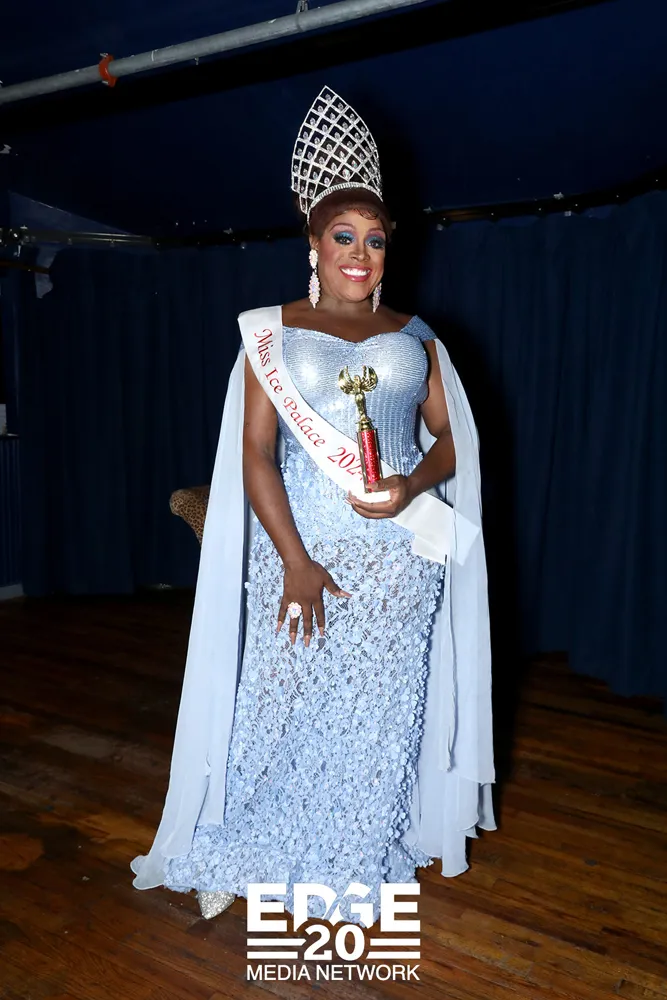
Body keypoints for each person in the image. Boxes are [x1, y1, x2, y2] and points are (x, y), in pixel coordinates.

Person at [131, 85, 495, 927]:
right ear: (313, 242)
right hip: (299, 549)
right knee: (282, 702)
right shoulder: (273, 333)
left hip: (400, 559)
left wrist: (412, 484)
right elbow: (255, 455)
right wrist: (294, 561)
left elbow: (452, 440)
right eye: (343, 236)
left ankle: (354, 853)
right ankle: (251, 847)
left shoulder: (416, 335)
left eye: (374, 238)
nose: (359, 253)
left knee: (378, 714)